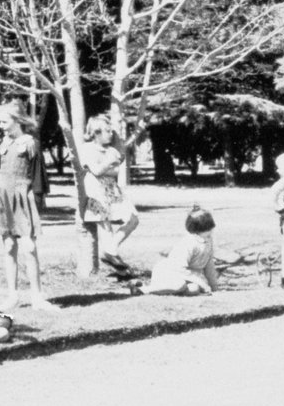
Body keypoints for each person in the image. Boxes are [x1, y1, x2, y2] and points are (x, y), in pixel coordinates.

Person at [0, 94, 54, 311]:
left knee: (29, 247)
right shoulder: (2, 145)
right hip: (1, 197)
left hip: (23, 196)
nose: (1, 126)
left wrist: (38, 202)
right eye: (0, 122)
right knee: (8, 245)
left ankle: (37, 297)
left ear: (17, 120)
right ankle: (12, 295)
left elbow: (38, 177)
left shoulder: (30, 144)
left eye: (5, 122)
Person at [78, 110, 140, 275]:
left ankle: (111, 250)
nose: (111, 135)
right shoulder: (87, 148)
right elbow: (97, 170)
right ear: (96, 133)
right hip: (96, 192)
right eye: (107, 131)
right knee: (105, 228)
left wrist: (109, 164)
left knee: (133, 218)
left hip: (113, 190)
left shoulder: (111, 150)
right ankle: (119, 269)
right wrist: (108, 162)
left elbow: (115, 171)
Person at [141, 205, 220, 296]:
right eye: (207, 233)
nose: (210, 234)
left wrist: (214, 287)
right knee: (179, 285)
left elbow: (209, 265)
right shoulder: (189, 243)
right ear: (196, 231)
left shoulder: (208, 241)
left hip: (188, 276)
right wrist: (201, 282)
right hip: (170, 272)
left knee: (194, 289)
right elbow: (179, 269)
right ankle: (144, 289)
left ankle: (169, 292)